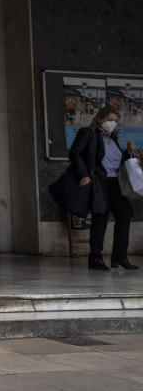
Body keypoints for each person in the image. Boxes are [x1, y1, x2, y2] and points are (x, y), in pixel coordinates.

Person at [69, 106, 139, 271]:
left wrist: (128, 153)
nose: (112, 123)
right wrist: (83, 174)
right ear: (100, 119)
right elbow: (75, 153)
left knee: (125, 214)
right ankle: (95, 258)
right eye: (109, 120)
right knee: (100, 219)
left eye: (115, 120)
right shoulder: (88, 133)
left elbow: (117, 161)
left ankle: (120, 257)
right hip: (99, 182)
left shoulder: (113, 138)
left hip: (115, 183)